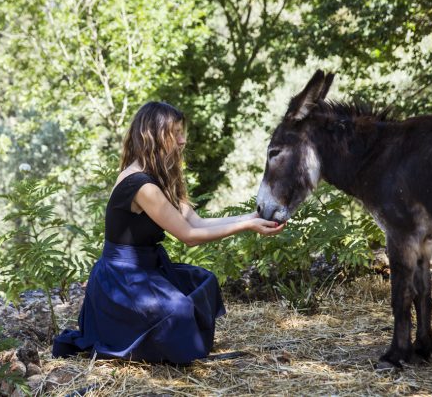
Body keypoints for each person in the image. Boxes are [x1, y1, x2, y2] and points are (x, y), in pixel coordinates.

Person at [52, 101, 283, 364]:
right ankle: (133, 341)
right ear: (154, 136)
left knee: (202, 281)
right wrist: (247, 226)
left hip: (145, 269)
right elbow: (188, 236)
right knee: (179, 309)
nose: (183, 140)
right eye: (176, 133)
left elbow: (197, 222)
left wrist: (251, 217)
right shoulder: (141, 185)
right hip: (122, 278)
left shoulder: (156, 178)